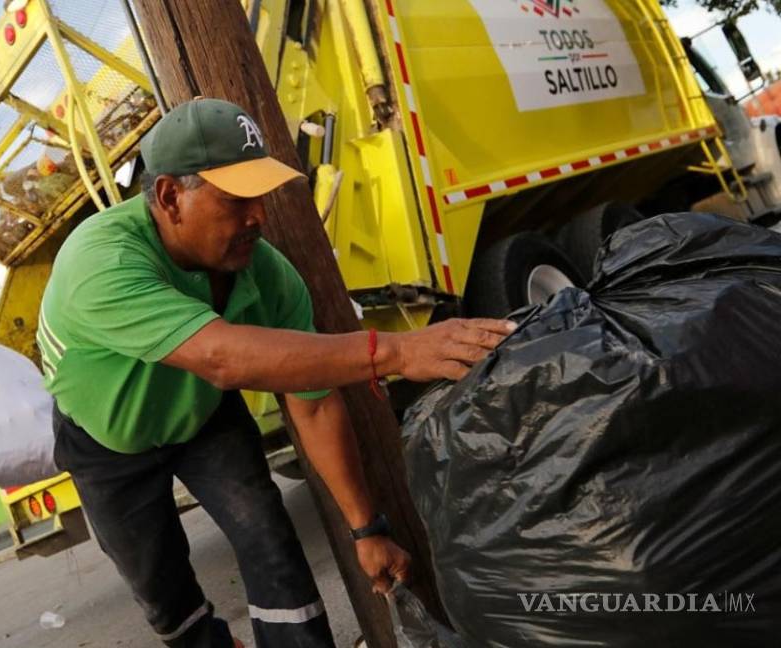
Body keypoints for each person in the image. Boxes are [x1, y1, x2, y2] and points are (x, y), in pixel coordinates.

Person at [36, 98, 514, 647]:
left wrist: (367, 530)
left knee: (268, 539)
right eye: (236, 198)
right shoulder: (101, 261)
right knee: (162, 590)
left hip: (201, 417)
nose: (258, 215)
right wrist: (397, 352)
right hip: (105, 438)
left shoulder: (266, 273)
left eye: (259, 195)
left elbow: (311, 402)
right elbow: (222, 357)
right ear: (170, 196)